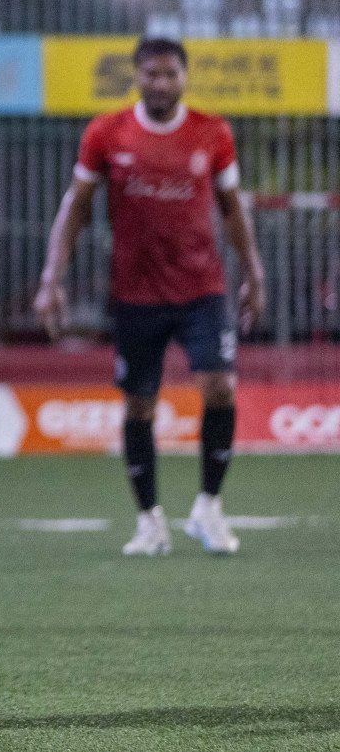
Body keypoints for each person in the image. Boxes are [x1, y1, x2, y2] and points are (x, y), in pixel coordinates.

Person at [34, 37, 265, 557]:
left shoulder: (213, 132)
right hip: (136, 293)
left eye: (170, 74)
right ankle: (149, 521)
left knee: (221, 386)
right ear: (136, 77)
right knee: (140, 403)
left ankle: (208, 508)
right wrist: (52, 278)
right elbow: (75, 208)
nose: (160, 83)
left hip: (202, 288)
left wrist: (254, 273)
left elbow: (233, 210)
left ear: (184, 77)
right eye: (150, 74)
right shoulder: (106, 132)